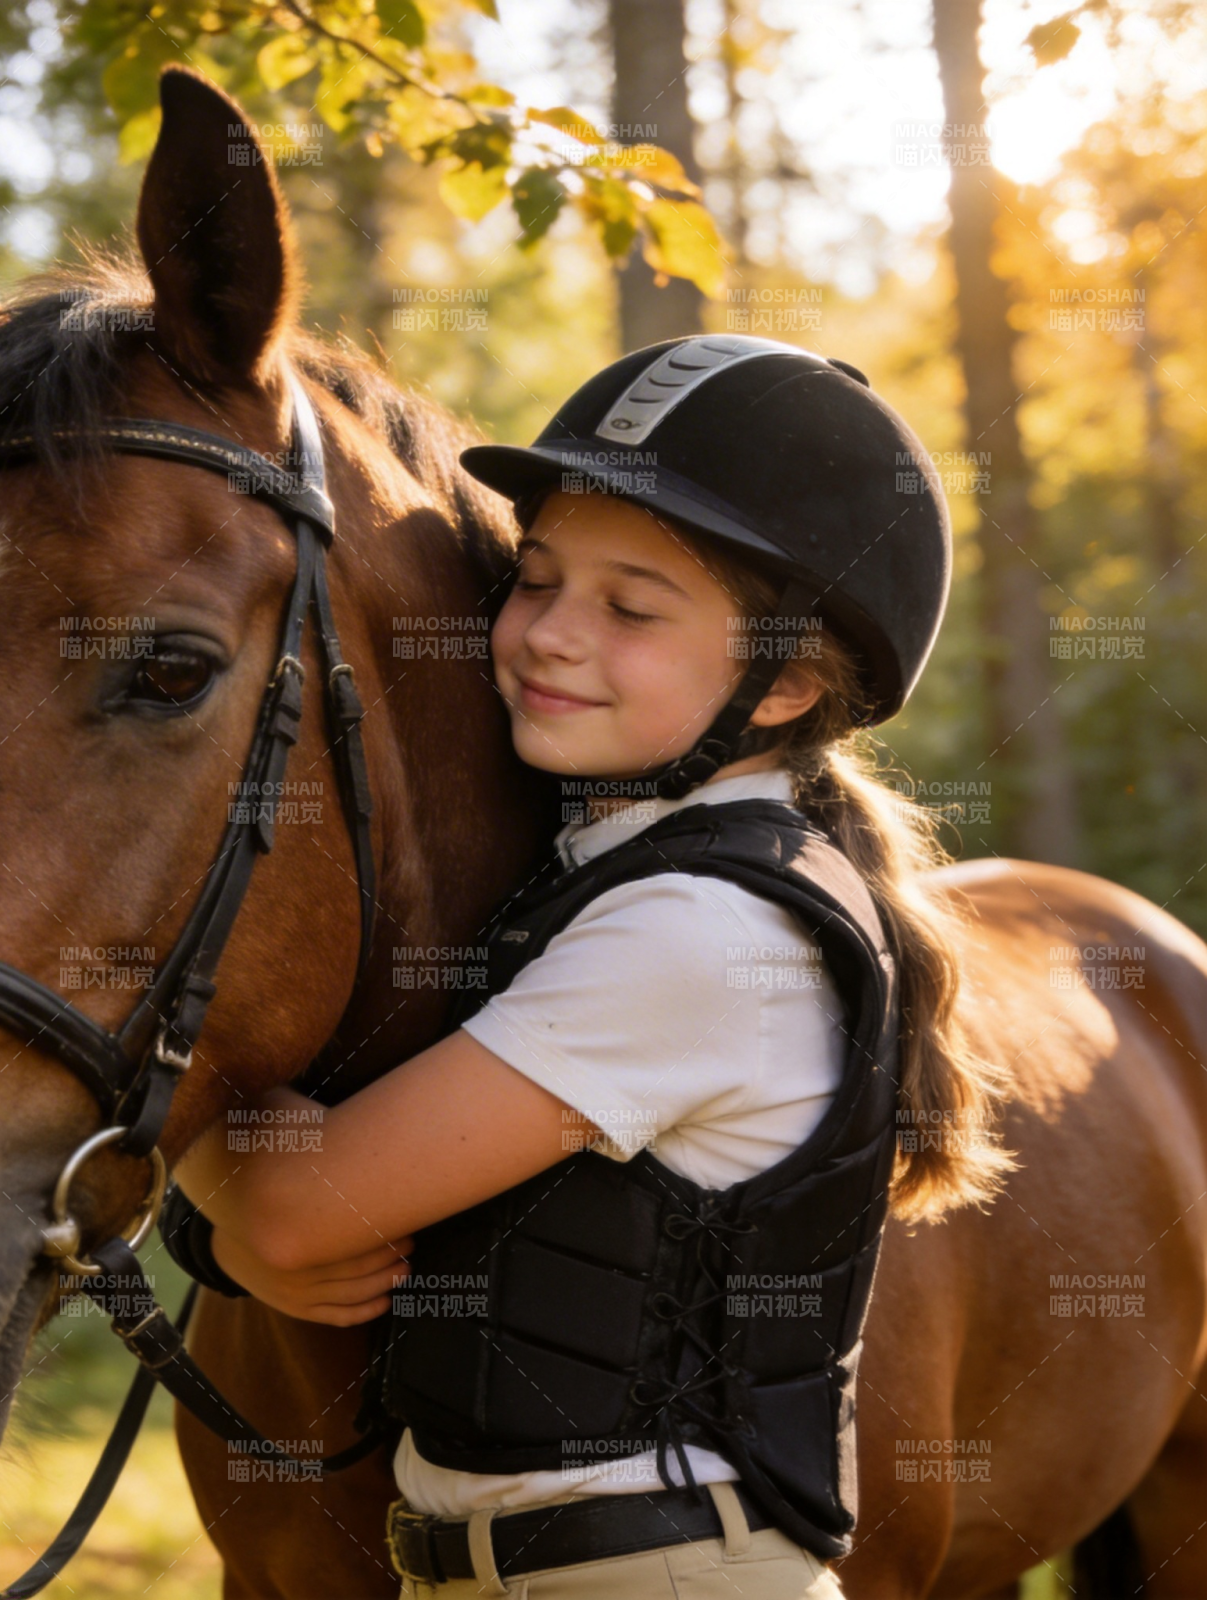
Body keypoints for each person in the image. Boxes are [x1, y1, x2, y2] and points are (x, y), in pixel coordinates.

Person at [167, 334, 1013, 1599]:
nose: (549, 635)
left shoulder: (694, 933)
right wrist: (235, 1208)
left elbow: (303, 1208)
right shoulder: (594, 885)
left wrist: (216, 1153)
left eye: (630, 608)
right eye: (537, 578)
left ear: (782, 681)